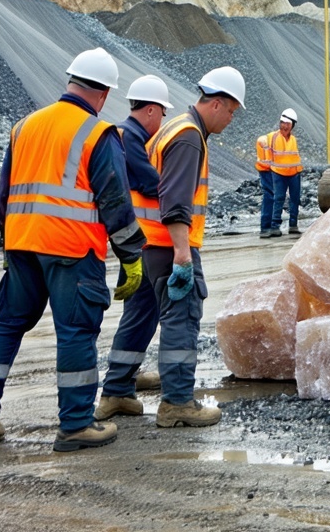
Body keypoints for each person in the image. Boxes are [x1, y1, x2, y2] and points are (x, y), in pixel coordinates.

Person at [0, 48, 146, 453]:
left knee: (5, 325)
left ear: (71, 82)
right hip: (70, 248)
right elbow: (115, 200)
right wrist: (132, 256)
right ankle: (76, 425)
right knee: (76, 331)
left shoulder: (24, 126)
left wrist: (9, 245)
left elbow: (3, 194)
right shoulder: (96, 133)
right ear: (102, 93)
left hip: (22, 243)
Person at [95, 66, 245, 429]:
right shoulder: (190, 136)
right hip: (168, 246)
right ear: (218, 103)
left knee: (139, 317)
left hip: (147, 246)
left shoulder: (171, 127)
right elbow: (175, 200)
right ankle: (177, 402)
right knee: (181, 319)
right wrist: (182, 254)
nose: (230, 119)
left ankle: (116, 391)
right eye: (231, 111)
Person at [93, 75, 173, 410]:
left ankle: (127, 373)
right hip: (139, 243)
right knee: (141, 312)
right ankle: (117, 388)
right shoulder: (129, 138)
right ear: (152, 110)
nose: (162, 122)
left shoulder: (129, 136)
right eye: (162, 114)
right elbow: (152, 183)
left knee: (141, 312)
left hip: (135, 241)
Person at [267, 108, 303, 236]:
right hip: (279, 173)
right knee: (279, 198)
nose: (284, 126)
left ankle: (293, 225)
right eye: (282, 123)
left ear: (292, 125)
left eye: (287, 124)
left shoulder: (293, 139)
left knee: (295, 199)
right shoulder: (274, 137)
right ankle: (275, 226)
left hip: (294, 174)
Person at [255, 126, 275, 238]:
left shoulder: (265, 139)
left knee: (271, 195)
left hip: (265, 169)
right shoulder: (269, 142)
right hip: (267, 170)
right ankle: (266, 227)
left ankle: (269, 226)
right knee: (270, 195)